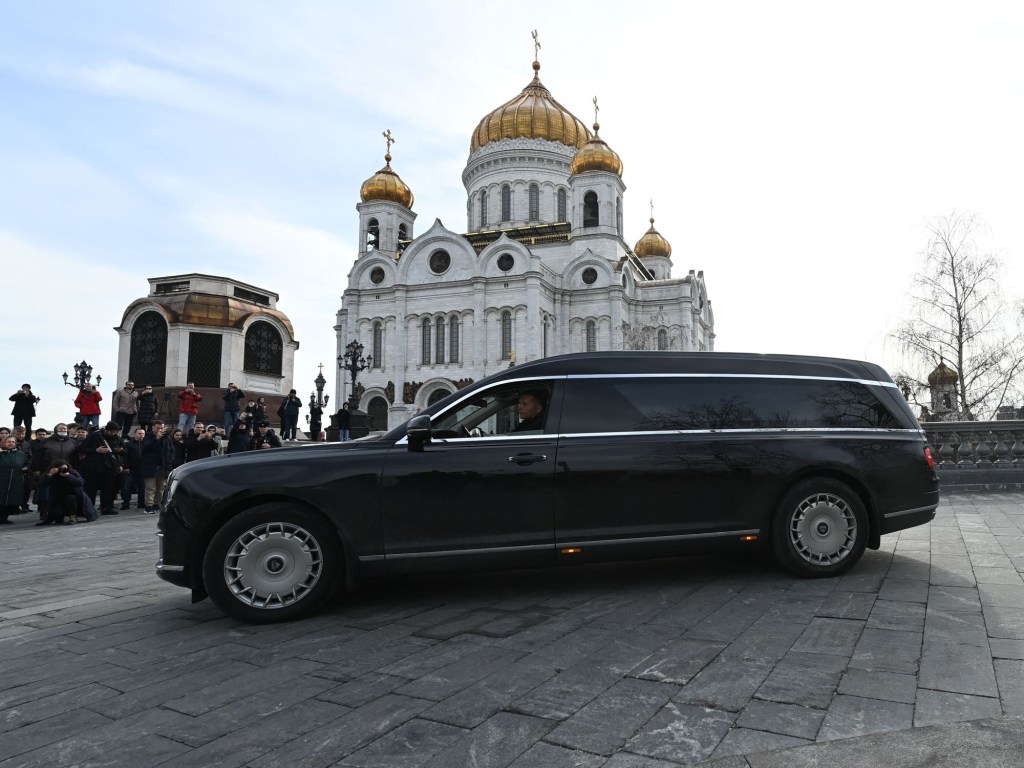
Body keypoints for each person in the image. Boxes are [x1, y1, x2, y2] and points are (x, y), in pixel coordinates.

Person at [77, 421, 126, 515]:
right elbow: (81, 449)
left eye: (115, 432)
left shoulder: (118, 439)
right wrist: (96, 450)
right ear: (106, 430)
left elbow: (124, 452)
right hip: (93, 467)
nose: (113, 434)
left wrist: (121, 451)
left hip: (110, 467)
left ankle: (106, 508)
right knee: (91, 489)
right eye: (111, 431)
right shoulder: (95, 436)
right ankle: (89, 509)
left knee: (108, 489)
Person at [35, 460, 90, 525]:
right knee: (56, 513)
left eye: (64, 468)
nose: (62, 470)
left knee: (70, 498)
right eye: (60, 468)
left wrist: (68, 476)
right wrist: (50, 474)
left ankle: (73, 518)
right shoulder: (53, 475)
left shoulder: (72, 473)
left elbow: (80, 483)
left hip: (73, 498)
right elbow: (41, 485)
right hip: (57, 498)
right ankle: (58, 517)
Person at [139, 420, 170, 514]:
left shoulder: (166, 438)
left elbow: (171, 450)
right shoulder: (148, 437)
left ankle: (157, 504)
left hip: (162, 466)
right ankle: (149, 506)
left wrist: (170, 460)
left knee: (161, 488)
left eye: (161, 428)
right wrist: (156, 438)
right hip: (150, 467)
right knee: (150, 488)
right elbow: (145, 447)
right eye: (157, 428)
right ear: (153, 427)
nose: (160, 430)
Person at [0, 435, 29, 525]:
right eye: (8, 441)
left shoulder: (21, 454)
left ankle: (4, 518)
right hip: (2, 480)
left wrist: (26, 467)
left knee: (10, 500)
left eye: (13, 442)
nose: (11, 443)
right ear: (4, 442)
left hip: (15, 480)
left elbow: (27, 463)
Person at [120, 427, 147, 510]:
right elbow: (125, 457)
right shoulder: (128, 444)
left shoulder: (146, 444)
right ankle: (125, 503)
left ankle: (141, 503)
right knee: (127, 487)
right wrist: (126, 467)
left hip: (143, 469)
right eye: (139, 433)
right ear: (135, 434)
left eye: (142, 434)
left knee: (142, 487)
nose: (141, 435)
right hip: (131, 469)